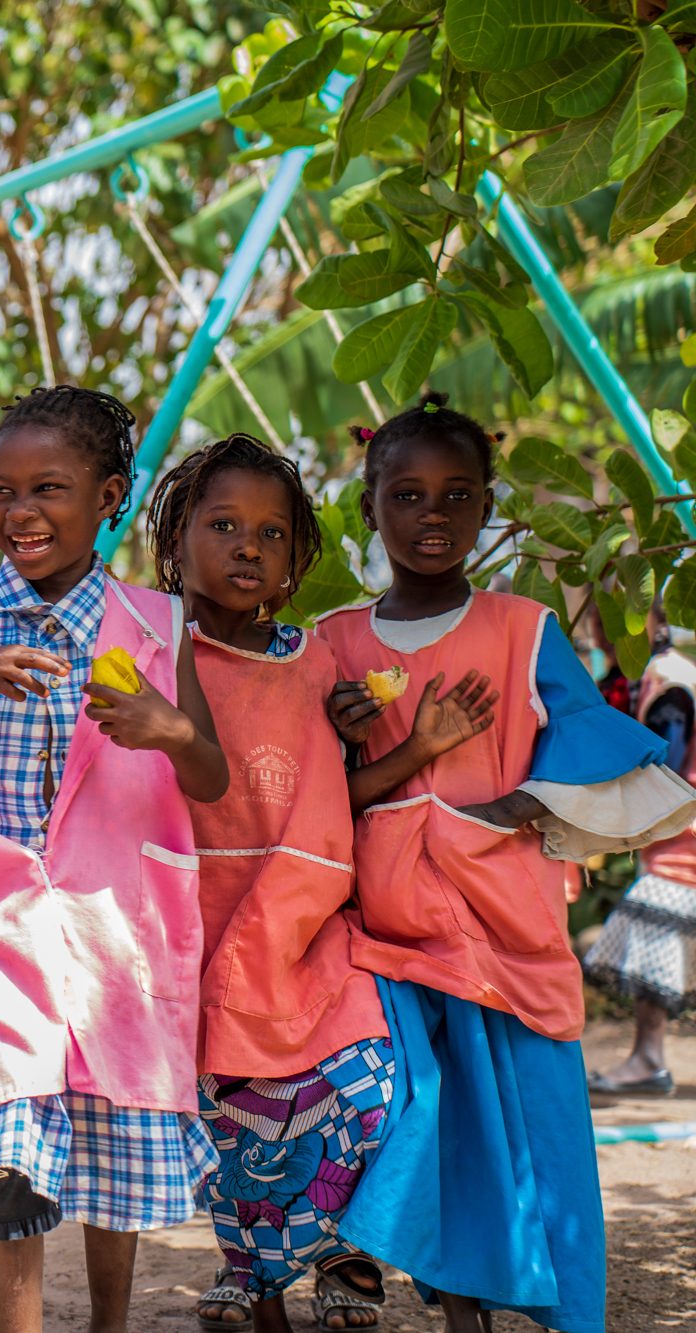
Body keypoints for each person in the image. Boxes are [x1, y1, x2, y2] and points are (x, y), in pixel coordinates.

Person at [320, 392, 696, 1333]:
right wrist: (340, 735)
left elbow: (588, 739)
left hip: (506, 923)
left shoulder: (524, 628)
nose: (432, 516)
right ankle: (452, 1306)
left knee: (537, 1128)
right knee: (427, 1120)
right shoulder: (334, 641)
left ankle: (561, 1312)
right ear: (370, 507)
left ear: (489, 507)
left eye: (456, 496)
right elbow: (309, 790)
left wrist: (511, 807)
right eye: (406, 495)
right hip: (385, 933)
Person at [0, 385, 228, 1333]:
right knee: (10, 1126)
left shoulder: (156, 625)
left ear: (109, 493)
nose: (19, 514)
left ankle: (107, 1321)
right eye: (2, 492)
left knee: (113, 1130)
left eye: (48, 490)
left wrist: (172, 728)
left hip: (118, 922)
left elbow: (212, 780)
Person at [147, 435, 393, 1332]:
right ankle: (249, 1268)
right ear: (176, 541)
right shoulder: (150, 643)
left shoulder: (318, 659)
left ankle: (337, 1247)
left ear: (297, 560)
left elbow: (334, 794)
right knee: (237, 1117)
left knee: (360, 1083)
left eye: (272, 532)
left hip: (305, 919)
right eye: (223, 525)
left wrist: (387, 740)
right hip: (197, 924)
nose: (248, 546)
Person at [585, 614, 696, 1096]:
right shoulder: (652, 677)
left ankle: (649, 1060)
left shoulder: (667, 685)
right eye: (597, 616)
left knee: (651, 924)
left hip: (684, 836)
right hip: (675, 836)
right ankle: (646, 1059)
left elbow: (664, 769)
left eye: (614, 615)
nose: (601, 628)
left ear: (651, 623)